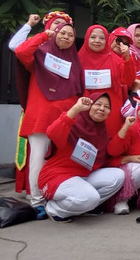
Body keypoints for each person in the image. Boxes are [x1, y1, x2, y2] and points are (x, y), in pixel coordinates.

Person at [15, 22, 83, 217]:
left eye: (71, 35)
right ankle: (37, 200)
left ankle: (53, 195)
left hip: (64, 120)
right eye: (62, 33)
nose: (66, 37)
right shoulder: (40, 54)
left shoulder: (74, 61)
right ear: (55, 34)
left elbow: (76, 91)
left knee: (60, 161)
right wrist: (44, 35)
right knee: (38, 159)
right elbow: (21, 51)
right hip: (41, 118)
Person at [40, 94, 125, 222]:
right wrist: (76, 109)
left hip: (83, 176)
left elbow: (102, 161)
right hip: (57, 176)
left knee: (118, 176)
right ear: (89, 106)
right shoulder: (74, 123)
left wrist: (127, 159)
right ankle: (55, 209)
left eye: (106, 107)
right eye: (98, 104)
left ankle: (85, 207)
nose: (102, 108)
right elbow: (52, 133)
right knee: (91, 198)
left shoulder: (101, 132)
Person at [79, 25, 136, 136]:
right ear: (87, 38)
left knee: (108, 141)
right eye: (93, 37)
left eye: (101, 38)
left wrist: (127, 57)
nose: (97, 41)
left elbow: (128, 80)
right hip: (84, 108)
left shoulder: (116, 60)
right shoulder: (78, 59)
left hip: (110, 109)